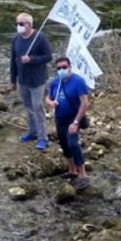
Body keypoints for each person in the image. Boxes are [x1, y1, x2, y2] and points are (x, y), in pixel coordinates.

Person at [46, 56, 91, 189]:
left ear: (70, 67)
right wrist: (50, 103)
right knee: (64, 144)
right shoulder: (55, 82)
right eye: (59, 68)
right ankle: (72, 170)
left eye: (64, 67)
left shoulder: (78, 81)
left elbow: (85, 103)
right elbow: (48, 97)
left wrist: (76, 122)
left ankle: (83, 174)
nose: (61, 70)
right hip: (60, 118)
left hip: (73, 117)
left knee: (73, 143)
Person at [10, 12, 53, 150]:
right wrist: (12, 79)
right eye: (17, 24)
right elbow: (13, 60)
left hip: (37, 80)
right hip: (22, 80)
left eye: (21, 24)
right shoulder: (16, 39)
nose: (18, 26)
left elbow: (48, 57)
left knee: (37, 107)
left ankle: (43, 138)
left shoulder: (39, 38)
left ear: (30, 24)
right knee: (28, 107)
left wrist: (32, 59)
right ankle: (32, 132)